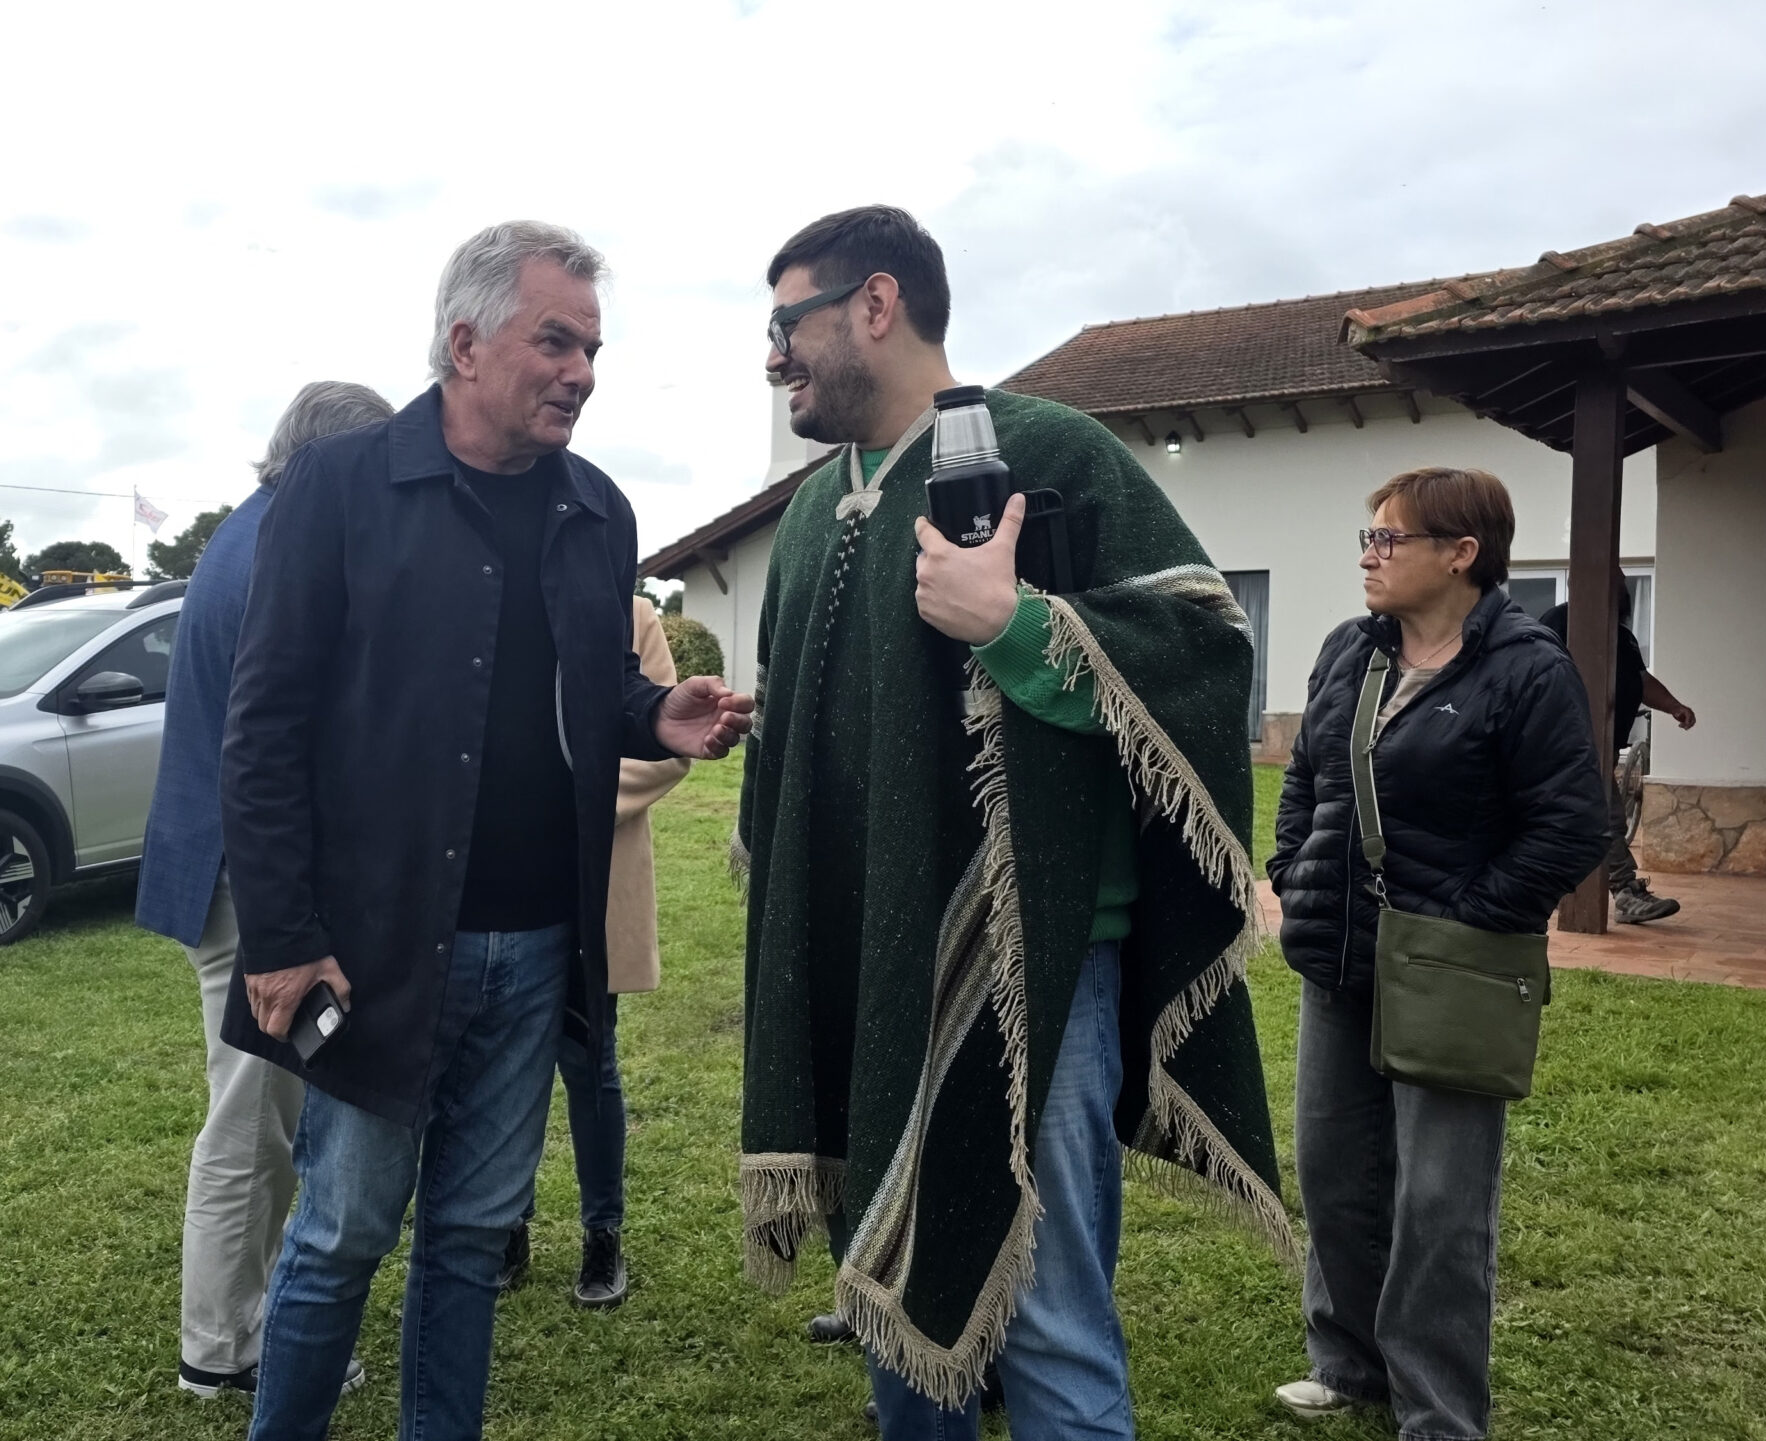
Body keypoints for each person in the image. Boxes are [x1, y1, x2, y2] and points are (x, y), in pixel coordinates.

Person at [734, 205, 1289, 1441]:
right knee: (895, 1286)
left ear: (874, 305)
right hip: (870, 967)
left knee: (1048, 1317)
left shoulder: (1050, 452)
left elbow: (1205, 644)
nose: (773, 357)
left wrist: (1015, 624)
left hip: (1038, 967)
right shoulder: (813, 513)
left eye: (787, 324)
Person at [219, 221, 752, 1441]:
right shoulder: (338, 488)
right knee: (341, 1234)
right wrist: (283, 937)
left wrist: (651, 711)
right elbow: (263, 731)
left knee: (467, 1240)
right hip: (378, 949)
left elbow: (584, 686)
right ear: (464, 344)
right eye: (554, 342)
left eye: (592, 349)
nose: (581, 372)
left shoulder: (596, 508)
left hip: (539, 949)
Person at [1269, 468, 1607, 1440]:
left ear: (1462, 554)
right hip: (1340, 958)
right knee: (1335, 1173)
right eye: (1367, 537)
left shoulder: (1527, 668)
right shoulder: (1351, 649)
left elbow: (1570, 825)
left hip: (1451, 972)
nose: (1368, 556)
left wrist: (1462, 919)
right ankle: (1348, 1363)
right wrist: (1293, 869)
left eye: (1390, 539)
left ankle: (1439, 1410)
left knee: (1439, 1203)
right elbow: (1306, 776)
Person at [138, 380, 396, 1401]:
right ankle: (224, 1344)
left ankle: (240, 1322)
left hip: (221, 863)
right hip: (249, 877)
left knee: (255, 1109)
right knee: (251, 1119)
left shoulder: (244, 529)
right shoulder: (282, 546)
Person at [499, 595, 691, 1308]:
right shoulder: (497, 604)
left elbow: (668, 749)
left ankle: (602, 1233)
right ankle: (507, 1223)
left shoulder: (631, 614)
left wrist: (569, 801)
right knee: (503, 1068)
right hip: (507, 881)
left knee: (589, 1063)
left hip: (594, 877)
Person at [1538, 577, 1698, 923]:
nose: (1622, 590)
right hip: (1566, 747)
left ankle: (1559, 893)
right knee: (1605, 818)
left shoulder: (1622, 635)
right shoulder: (1559, 622)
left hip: (1601, 747)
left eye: (1623, 584)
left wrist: (1673, 705)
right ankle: (1625, 892)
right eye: (1616, 582)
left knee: (1585, 820)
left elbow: (1640, 681)